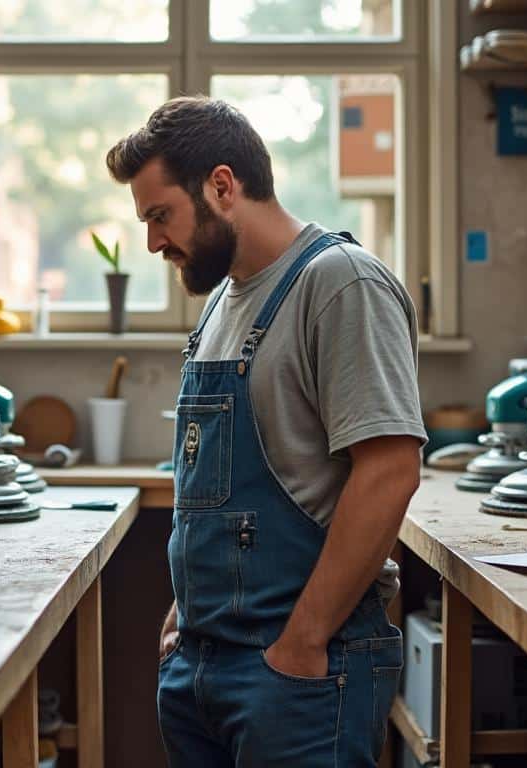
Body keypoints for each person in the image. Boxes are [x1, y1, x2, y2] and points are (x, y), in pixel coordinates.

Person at [106, 96, 425, 767]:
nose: (153, 243)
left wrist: (302, 644)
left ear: (222, 186)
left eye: (160, 216)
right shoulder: (224, 300)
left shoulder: (340, 284)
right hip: (201, 664)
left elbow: (389, 471)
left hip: (298, 675)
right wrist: (183, 616)